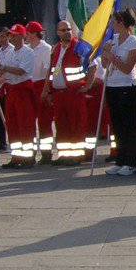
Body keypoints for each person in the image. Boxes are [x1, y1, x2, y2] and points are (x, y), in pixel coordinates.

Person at [0, 25, 38, 168]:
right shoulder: (11, 53)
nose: (12, 37)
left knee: (25, 124)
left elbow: (22, 71)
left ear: (22, 36)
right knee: (12, 124)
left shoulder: (28, 52)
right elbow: (4, 71)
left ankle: (28, 156)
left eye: (15, 35)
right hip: (12, 90)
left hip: (23, 91)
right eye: (11, 35)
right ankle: (16, 156)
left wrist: (2, 67)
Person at [101, 9, 136, 175]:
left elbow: (127, 68)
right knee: (117, 125)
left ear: (123, 23)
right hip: (112, 84)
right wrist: (106, 53)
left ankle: (131, 162)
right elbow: (105, 64)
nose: (112, 24)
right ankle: (120, 159)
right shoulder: (114, 40)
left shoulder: (134, 42)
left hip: (126, 86)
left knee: (129, 125)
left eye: (115, 21)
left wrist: (112, 58)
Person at [43, 21, 90, 164]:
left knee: (76, 124)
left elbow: (92, 66)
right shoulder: (56, 49)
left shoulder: (79, 47)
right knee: (61, 126)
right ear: (57, 32)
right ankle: (64, 155)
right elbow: (51, 71)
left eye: (68, 29)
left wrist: (87, 86)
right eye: (63, 30)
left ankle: (76, 156)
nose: (66, 32)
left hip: (74, 93)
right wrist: (48, 90)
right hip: (59, 94)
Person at [25, 22, 55, 163]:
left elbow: (47, 71)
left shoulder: (45, 49)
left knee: (44, 122)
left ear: (34, 34)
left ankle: (46, 152)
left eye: (28, 33)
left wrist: (46, 90)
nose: (27, 35)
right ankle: (31, 152)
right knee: (29, 121)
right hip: (30, 86)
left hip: (41, 85)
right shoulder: (28, 49)